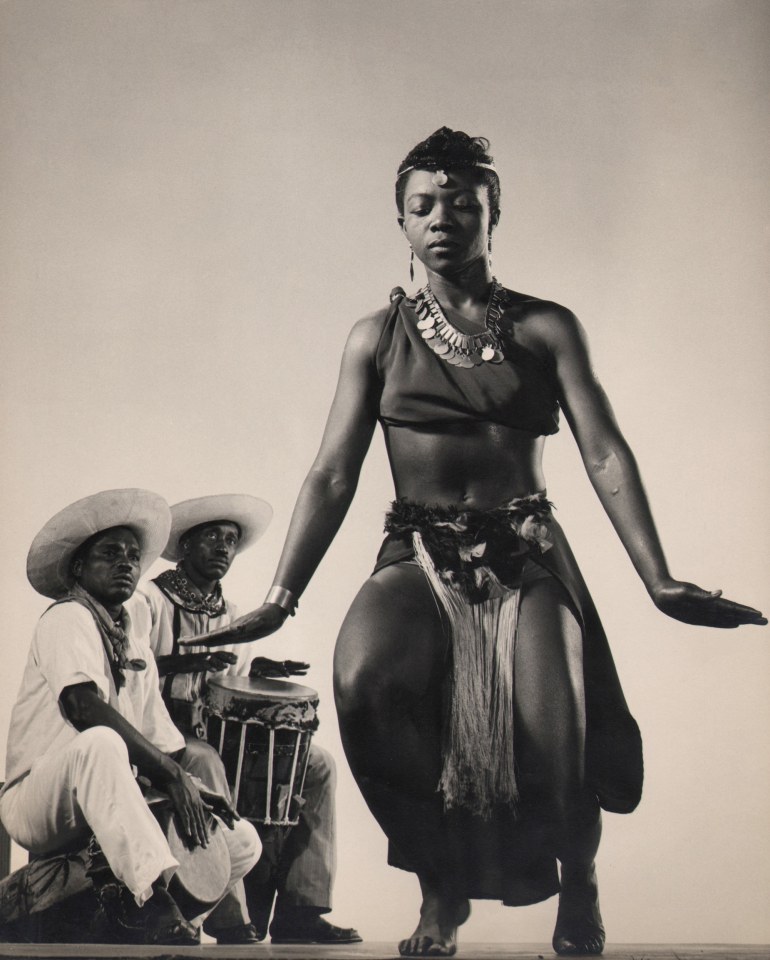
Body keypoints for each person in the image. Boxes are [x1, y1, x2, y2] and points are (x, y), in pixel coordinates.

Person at [188, 129, 766, 957]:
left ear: (496, 214)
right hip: (417, 554)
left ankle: (581, 878)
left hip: (524, 550)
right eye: (423, 205)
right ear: (400, 220)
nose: (443, 219)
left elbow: (603, 450)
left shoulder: (546, 328)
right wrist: (281, 597)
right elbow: (333, 475)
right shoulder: (373, 338)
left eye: (464, 204)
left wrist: (660, 580)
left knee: (552, 732)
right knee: (363, 682)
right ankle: (440, 889)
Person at [0, 489, 260, 946]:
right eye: (110, 553)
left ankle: (136, 915)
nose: (127, 563)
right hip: (38, 801)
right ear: (78, 568)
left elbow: (166, 743)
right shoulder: (66, 617)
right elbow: (83, 709)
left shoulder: (136, 645)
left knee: (241, 842)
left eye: (135, 556)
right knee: (103, 744)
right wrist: (170, 774)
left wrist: (194, 788)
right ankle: (152, 905)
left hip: (105, 803)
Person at [140, 493, 361, 945]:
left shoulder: (232, 614)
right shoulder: (150, 599)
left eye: (231, 541)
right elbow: (128, 672)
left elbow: (229, 688)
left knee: (317, 764)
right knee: (206, 762)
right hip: (158, 733)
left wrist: (259, 672)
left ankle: (302, 911)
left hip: (211, 729)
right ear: (185, 547)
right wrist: (185, 664)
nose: (224, 547)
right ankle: (229, 916)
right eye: (212, 538)